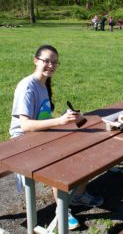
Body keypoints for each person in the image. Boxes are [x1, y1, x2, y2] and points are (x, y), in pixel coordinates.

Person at [9, 45, 103, 230]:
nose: (51, 65)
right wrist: (60, 121)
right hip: (23, 141)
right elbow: (26, 125)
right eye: (46, 61)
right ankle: (62, 210)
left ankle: (77, 195)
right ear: (36, 60)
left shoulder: (43, 84)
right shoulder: (28, 87)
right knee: (63, 160)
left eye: (54, 62)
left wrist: (65, 116)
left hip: (40, 136)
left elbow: (42, 118)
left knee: (83, 147)